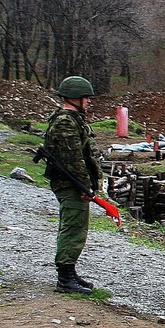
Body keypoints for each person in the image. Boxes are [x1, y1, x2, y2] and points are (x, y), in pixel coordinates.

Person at [44, 76, 103, 295]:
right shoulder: (66, 122)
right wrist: (85, 186)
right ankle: (65, 279)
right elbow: (74, 158)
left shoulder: (73, 119)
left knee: (75, 226)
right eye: (85, 97)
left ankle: (70, 272)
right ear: (74, 98)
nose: (88, 101)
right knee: (73, 228)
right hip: (70, 183)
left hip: (72, 182)